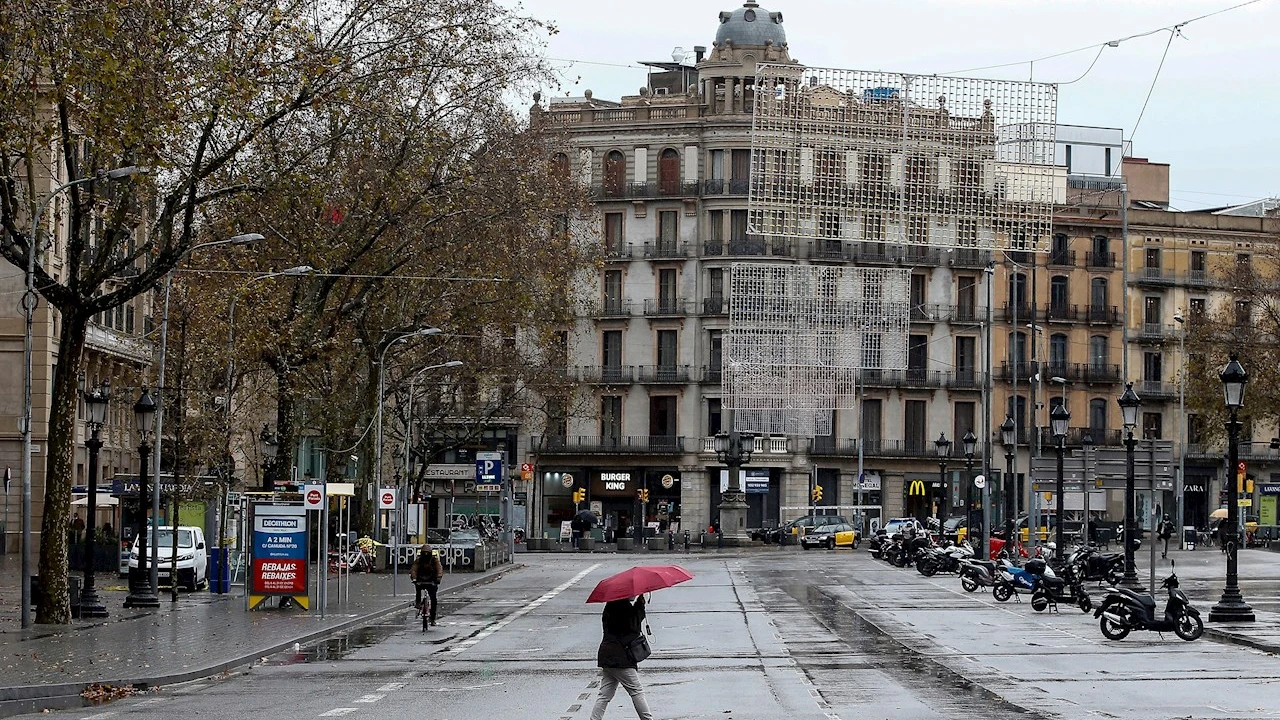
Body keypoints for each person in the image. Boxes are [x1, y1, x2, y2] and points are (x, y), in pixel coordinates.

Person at [591, 596, 653, 720]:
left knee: (605, 694)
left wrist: (637, 606)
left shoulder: (611, 605)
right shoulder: (623, 607)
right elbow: (633, 628)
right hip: (621, 658)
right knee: (636, 691)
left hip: (607, 656)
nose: (634, 595)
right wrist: (640, 605)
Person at [410, 543, 444, 625]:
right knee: (418, 589)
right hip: (420, 579)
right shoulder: (418, 560)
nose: (426, 554)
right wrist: (414, 578)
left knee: (433, 599)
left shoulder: (434, 560)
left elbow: (439, 568)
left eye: (427, 553)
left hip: (432, 580)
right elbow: (414, 569)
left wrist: (438, 578)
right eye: (424, 552)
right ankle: (418, 603)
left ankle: (432, 618)